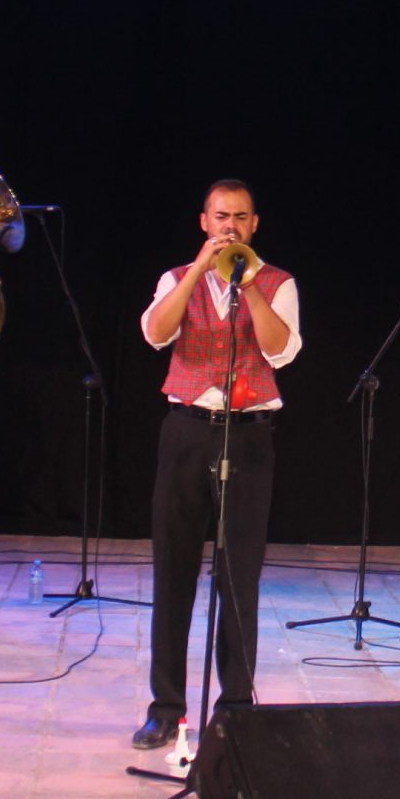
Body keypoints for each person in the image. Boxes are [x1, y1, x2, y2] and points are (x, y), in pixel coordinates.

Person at [133, 179, 303, 750]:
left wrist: (248, 283)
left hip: (248, 436)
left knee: (239, 578)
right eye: (221, 216)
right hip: (187, 431)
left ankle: (235, 708)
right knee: (173, 574)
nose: (231, 225)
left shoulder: (278, 282)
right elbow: (156, 334)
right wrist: (197, 274)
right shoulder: (174, 279)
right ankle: (165, 708)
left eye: (241, 217)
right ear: (204, 222)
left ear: (255, 224)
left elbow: (280, 350)